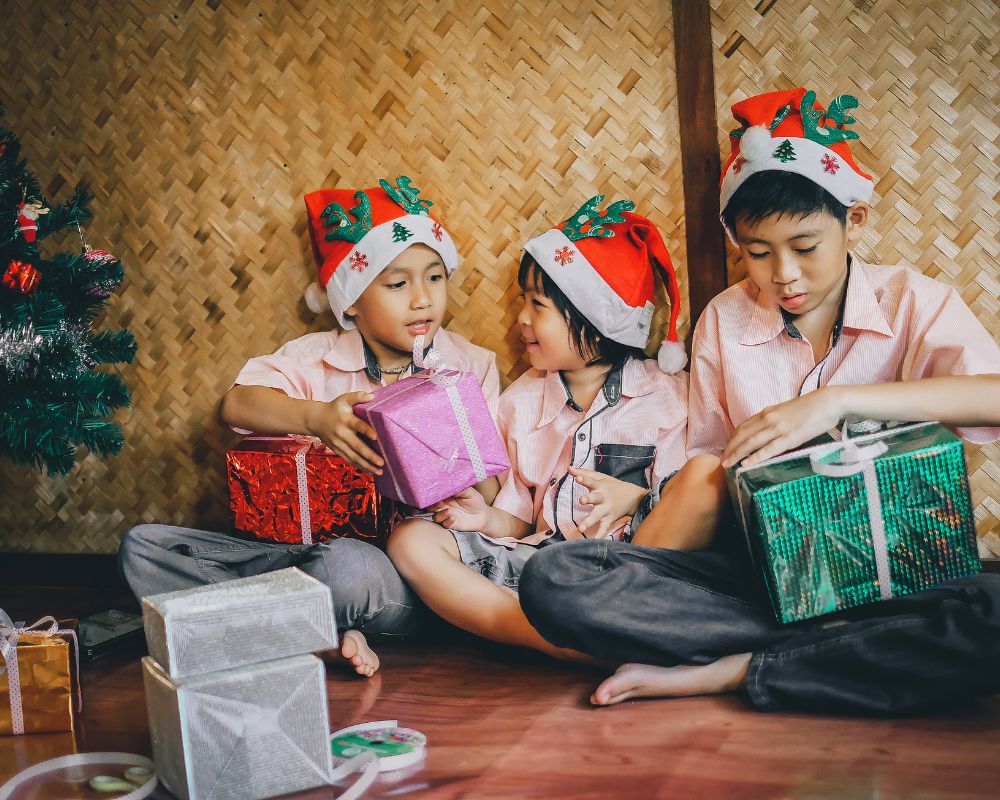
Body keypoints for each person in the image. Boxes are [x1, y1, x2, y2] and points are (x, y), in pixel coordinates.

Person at [517, 89, 1000, 714]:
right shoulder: (724, 318)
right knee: (557, 580)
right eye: (758, 252)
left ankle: (737, 667)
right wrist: (654, 501)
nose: (784, 275)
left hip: (895, 573)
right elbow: (707, 465)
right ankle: (832, 649)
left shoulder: (913, 301)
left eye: (805, 247)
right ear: (736, 239)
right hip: (757, 576)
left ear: (853, 222)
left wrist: (839, 403)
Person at [118, 176, 500, 677]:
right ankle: (315, 631)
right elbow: (236, 406)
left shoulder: (469, 366)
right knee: (144, 548)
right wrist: (317, 418)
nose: (423, 299)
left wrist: (442, 425)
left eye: (434, 277)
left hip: (390, 573)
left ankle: (286, 626)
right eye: (397, 284)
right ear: (352, 301)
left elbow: (490, 493)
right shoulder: (313, 357)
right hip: (291, 556)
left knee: (345, 571)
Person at [387, 196, 725, 659]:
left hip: (629, 572)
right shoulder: (520, 404)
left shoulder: (668, 398)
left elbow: (688, 509)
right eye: (522, 301)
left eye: (538, 304)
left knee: (706, 474)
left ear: (595, 317)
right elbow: (521, 518)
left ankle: (582, 628)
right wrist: (484, 519)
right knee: (411, 540)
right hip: (540, 566)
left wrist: (640, 500)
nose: (521, 318)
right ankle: (550, 639)